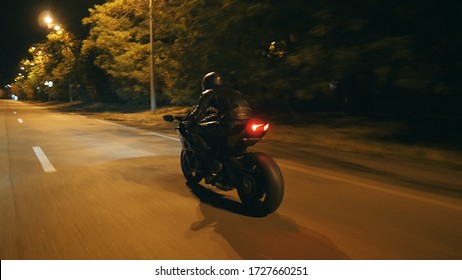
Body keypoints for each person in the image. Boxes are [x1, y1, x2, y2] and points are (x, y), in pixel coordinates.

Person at [184, 72, 253, 182]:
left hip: (229, 124)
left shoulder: (209, 93)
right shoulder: (235, 92)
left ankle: (213, 164)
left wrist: (188, 123)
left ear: (206, 83)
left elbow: (198, 113)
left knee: (194, 131)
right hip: (247, 123)